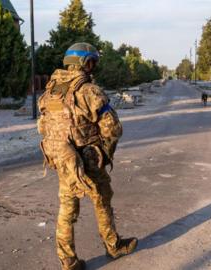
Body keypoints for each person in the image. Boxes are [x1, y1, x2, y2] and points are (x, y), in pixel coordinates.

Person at [37, 43, 138, 270]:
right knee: (102, 198)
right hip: (88, 158)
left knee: (67, 208)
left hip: (63, 159)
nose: (94, 67)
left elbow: (43, 126)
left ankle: (68, 260)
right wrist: (105, 152)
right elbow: (113, 128)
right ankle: (113, 245)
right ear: (85, 63)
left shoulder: (51, 90)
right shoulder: (88, 91)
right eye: (93, 62)